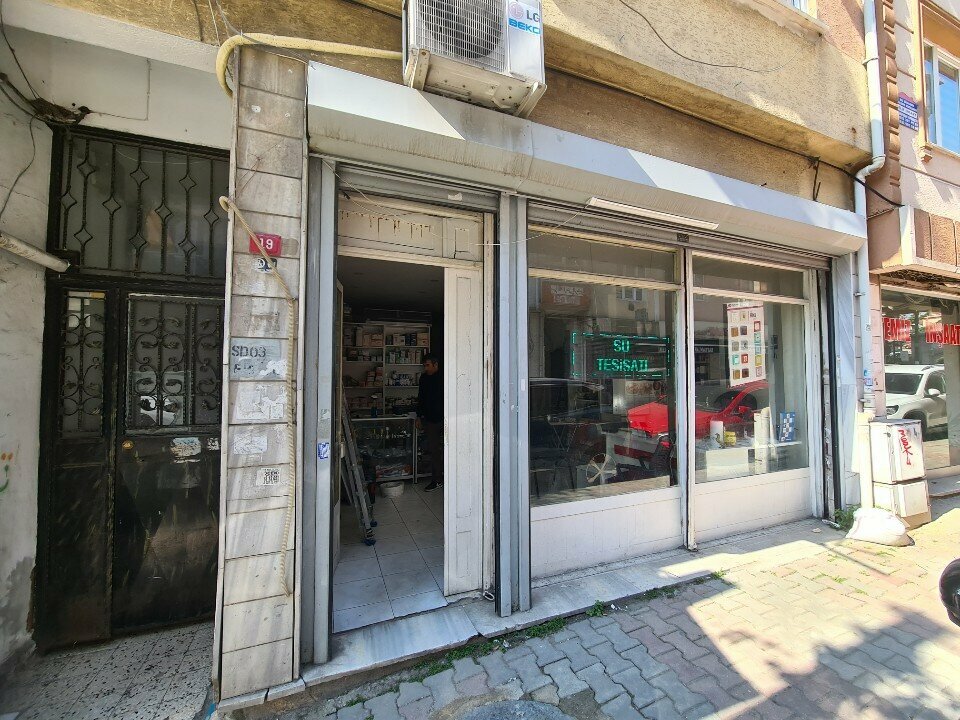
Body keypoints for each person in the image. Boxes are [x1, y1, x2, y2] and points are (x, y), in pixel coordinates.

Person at [417, 353, 443, 492]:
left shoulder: (444, 377)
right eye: (424, 365)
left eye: (428, 365)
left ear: (435, 364)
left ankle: (452, 477)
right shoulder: (424, 378)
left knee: (450, 449)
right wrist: (419, 416)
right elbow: (420, 397)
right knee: (434, 451)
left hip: (447, 419)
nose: (426, 368)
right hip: (431, 420)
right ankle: (437, 480)